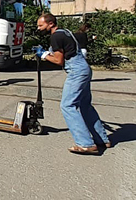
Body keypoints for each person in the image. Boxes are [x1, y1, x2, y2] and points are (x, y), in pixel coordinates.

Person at [35, 13, 110, 155]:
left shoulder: (56, 36)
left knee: (67, 105)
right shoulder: (66, 32)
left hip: (76, 71)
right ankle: (102, 139)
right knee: (85, 105)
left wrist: (43, 55)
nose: (39, 28)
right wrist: (45, 52)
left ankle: (85, 144)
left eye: (41, 25)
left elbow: (59, 61)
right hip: (84, 68)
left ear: (50, 24)